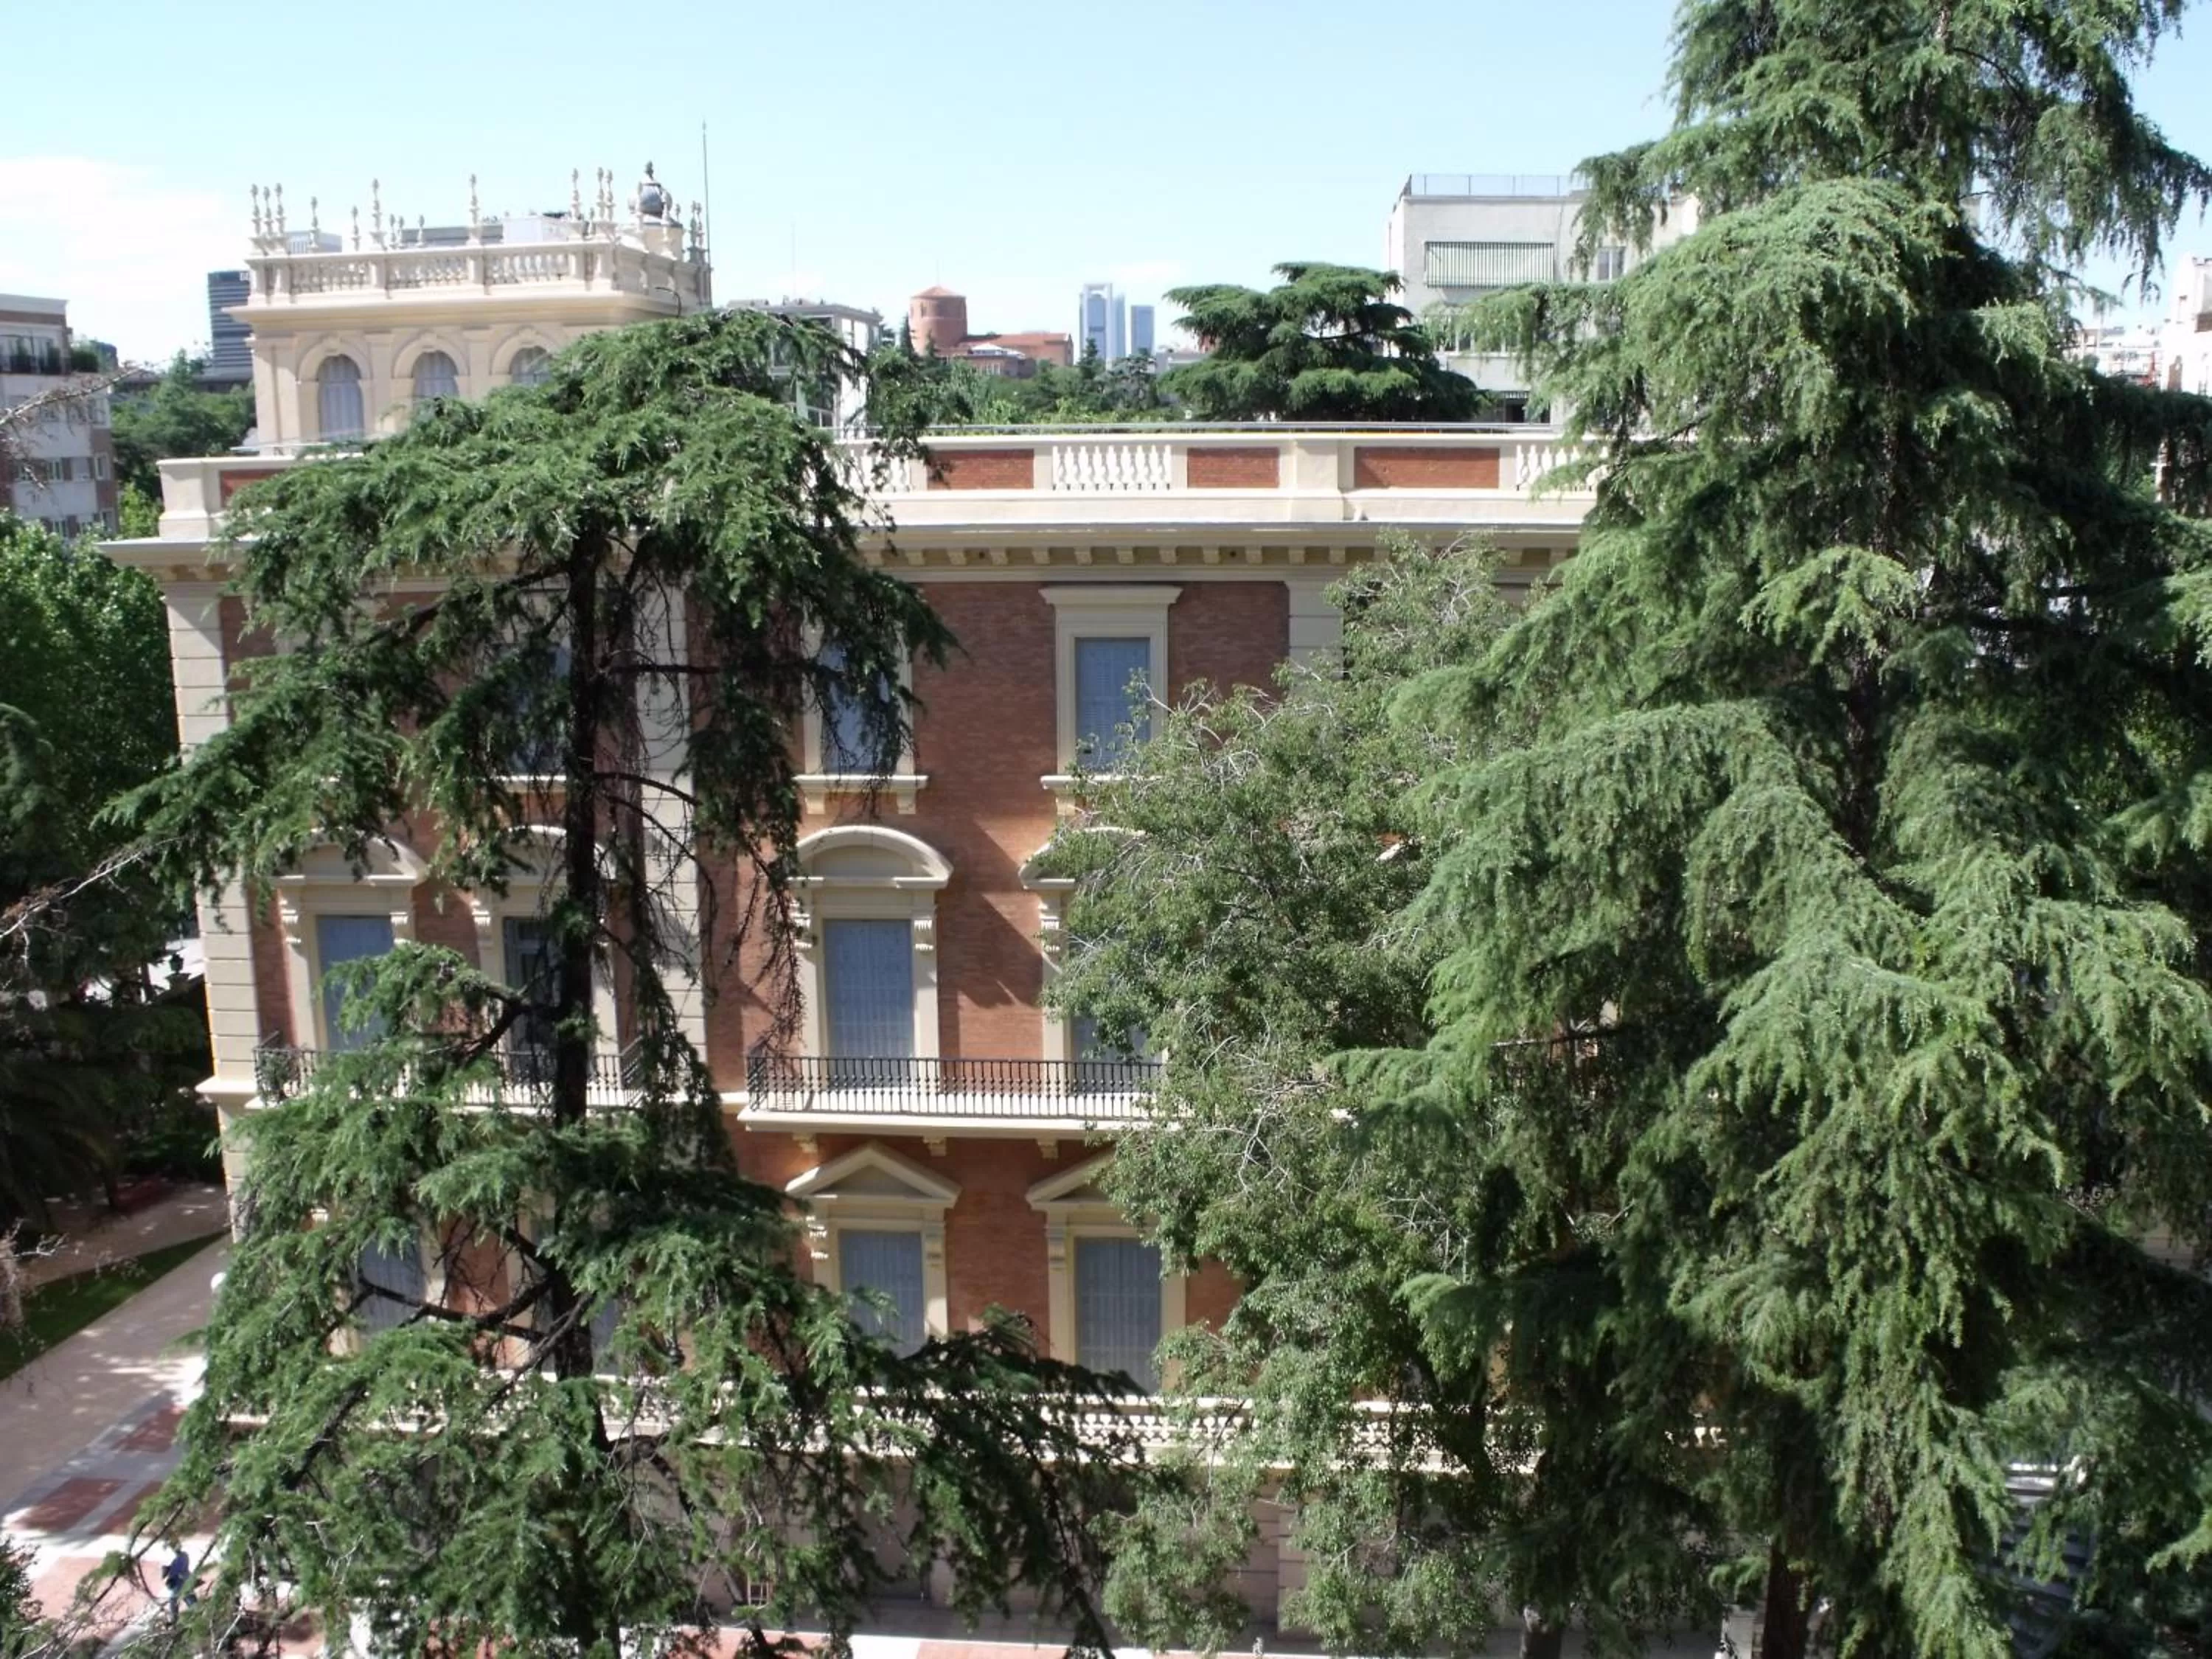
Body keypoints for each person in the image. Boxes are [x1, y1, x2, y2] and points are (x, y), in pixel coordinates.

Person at [161, 1543, 196, 1613]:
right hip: (177, 1588)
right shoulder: (181, 1557)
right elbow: (166, 1573)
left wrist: (169, 1574)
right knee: (174, 1608)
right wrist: (167, 1570)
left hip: (183, 1586)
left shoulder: (183, 1557)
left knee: (193, 1607)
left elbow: (178, 1569)